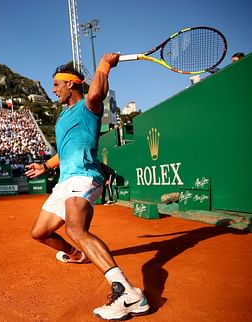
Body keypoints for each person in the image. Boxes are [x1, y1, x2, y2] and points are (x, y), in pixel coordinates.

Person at [25, 53, 149, 320]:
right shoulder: (62, 118)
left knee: (74, 228)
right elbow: (66, 151)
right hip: (65, 180)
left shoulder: (88, 107)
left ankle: (129, 293)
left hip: (85, 176)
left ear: (72, 84)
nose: (53, 89)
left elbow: (96, 93)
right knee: (39, 232)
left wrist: (105, 65)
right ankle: (77, 255)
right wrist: (46, 166)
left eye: (57, 84)